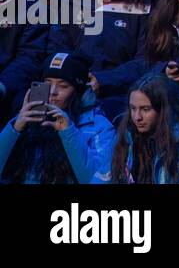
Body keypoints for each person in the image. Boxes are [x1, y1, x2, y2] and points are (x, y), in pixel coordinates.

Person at [49, 0, 160, 105]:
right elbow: (57, 48)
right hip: (72, 89)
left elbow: (145, 61)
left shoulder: (142, 9)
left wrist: (104, 80)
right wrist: (74, 78)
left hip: (122, 95)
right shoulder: (72, 2)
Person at [0, 52, 113, 184]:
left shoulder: (98, 127)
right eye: (47, 83)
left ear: (78, 91)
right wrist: (14, 129)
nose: (53, 91)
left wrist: (68, 132)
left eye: (63, 86)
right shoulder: (26, 120)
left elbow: (97, 181)